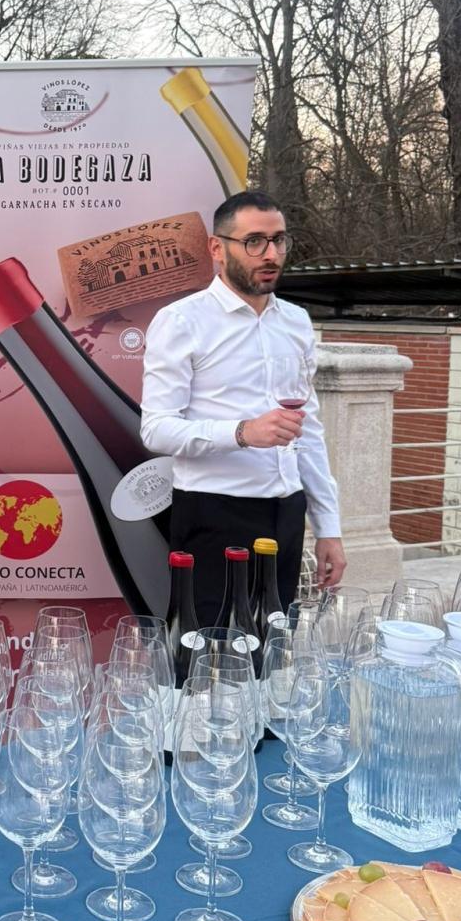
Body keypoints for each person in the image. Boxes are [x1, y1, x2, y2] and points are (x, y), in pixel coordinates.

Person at [140, 189, 345, 625]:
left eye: (279, 240)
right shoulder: (181, 321)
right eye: (254, 241)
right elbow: (156, 429)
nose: (271, 254)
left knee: (271, 644)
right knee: (205, 656)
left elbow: (309, 431)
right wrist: (241, 432)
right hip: (213, 512)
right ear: (217, 248)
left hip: (287, 513)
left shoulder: (296, 321)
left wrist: (329, 528)